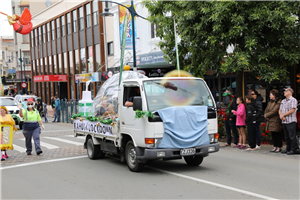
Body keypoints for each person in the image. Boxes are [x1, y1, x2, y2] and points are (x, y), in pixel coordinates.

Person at [279, 88, 298, 155]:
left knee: (292, 136)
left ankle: (294, 149)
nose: (284, 92)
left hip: (291, 121)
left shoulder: (293, 100)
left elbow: (292, 110)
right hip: (284, 121)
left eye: (286, 91)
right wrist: (281, 115)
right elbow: (280, 109)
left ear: (290, 92)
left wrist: (283, 115)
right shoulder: (283, 101)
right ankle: (288, 148)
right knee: (286, 136)